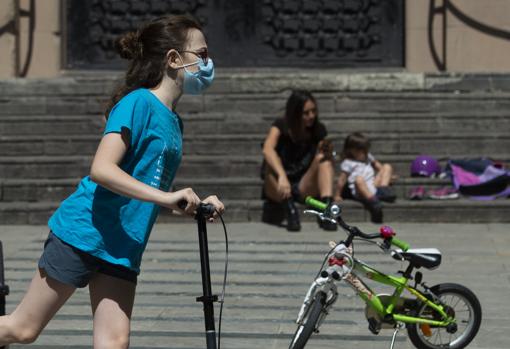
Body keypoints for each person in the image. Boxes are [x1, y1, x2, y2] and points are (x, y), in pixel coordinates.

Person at [0, 14, 224, 348]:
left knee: (114, 342)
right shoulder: (137, 103)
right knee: (22, 330)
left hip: (123, 245)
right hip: (84, 233)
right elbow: (102, 170)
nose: (208, 63)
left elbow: (147, 190)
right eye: (201, 55)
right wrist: (166, 197)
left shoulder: (174, 123)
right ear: (174, 59)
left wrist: (189, 205)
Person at [261, 90, 337, 232]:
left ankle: (326, 208)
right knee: (271, 162)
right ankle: (290, 209)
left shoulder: (318, 129)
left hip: (303, 185)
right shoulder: (281, 125)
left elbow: (325, 159)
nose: (311, 116)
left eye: (313, 111)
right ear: (295, 113)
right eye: (306, 113)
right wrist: (282, 176)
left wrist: (326, 152)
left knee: (324, 161)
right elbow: (267, 149)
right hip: (277, 184)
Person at [334, 132, 395, 223]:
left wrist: (388, 176)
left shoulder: (368, 157)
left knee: (387, 167)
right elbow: (342, 180)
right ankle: (374, 203)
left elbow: (379, 167)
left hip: (373, 185)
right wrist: (337, 195)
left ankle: (384, 190)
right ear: (350, 150)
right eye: (360, 150)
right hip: (360, 190)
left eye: (365, 150)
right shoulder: (348, 163)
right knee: (359, 179)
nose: (363, 153)